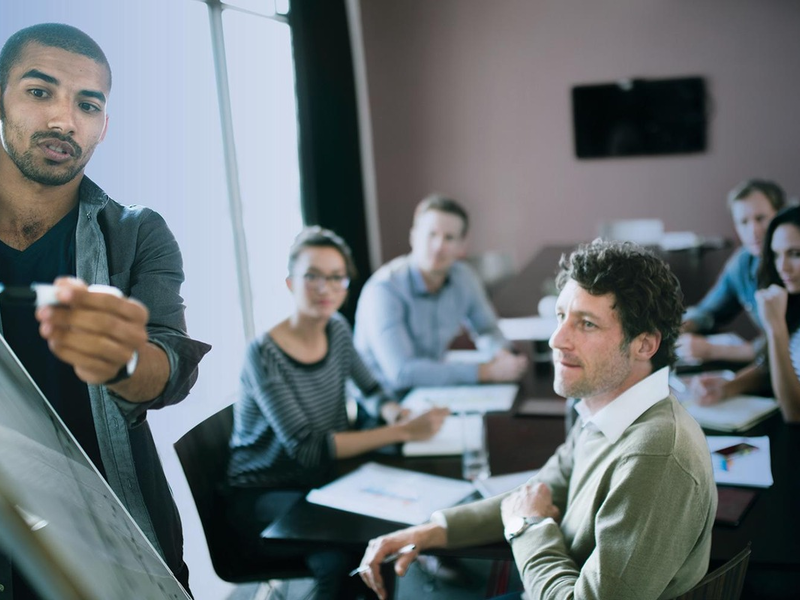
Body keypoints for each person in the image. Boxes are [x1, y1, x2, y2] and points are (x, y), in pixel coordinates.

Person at [358, 240, 717, 600]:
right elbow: (541, 489)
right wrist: (430, 530)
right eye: (561, 317)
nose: (557, 340)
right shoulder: (604, 406)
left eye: (587, 324)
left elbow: (530, 515)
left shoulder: (655, 458)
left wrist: (527, 526)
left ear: (644, 345)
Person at [0, 23, 210, 597]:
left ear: (104, 125)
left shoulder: (138, 232)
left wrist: (124, 360)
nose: (64, 120)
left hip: (115, 527)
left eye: (87, 104)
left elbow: (171, 367)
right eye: (39, 92)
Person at [225, 227, 449, 600]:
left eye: (335, 277)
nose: (324, 288)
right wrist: (403, 432)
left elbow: (373, 392)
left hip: (323, 482)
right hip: (265, 495)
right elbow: (309, 448)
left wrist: (394, 413)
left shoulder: (338, 330)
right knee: (336, 561)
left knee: (379, 539)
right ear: (289, 282)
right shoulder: (264, 353)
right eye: (312, 276)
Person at [354, 194, 527, 396]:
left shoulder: (464, 277)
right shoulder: (384, 289)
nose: (438, 246)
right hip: (386, 403)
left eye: (449, 238)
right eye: (431, 234)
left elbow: (487, 328)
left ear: (462, 246)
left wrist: (501, 354)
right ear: (413, 236)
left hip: (434, 391)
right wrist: (485, 371)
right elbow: (402, 373)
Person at [694, 205, 800, 422]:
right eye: (776, 255)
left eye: (795, 254)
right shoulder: (793, 298)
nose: (783, 268)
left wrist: (776, 328)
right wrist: (726, 387)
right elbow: (771, 370)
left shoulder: (780, 315)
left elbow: (794, 413)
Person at [679, 179, 786, 363]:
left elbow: (788, 342)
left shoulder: (791, 266)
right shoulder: (744, 262)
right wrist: (676, 328)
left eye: (760, 218)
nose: (753, 230)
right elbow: (709, 310)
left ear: (781, 215)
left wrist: (713, 350)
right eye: (743, 222)